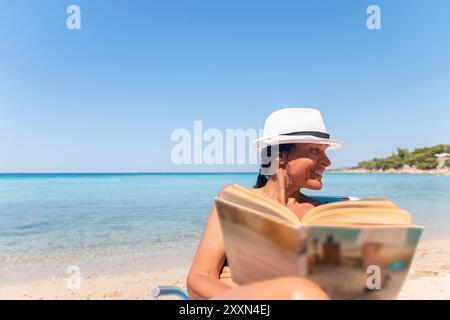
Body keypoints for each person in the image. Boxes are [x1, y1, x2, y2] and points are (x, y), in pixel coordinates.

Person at [187, 108, 343, 300]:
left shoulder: (326, 213)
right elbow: (199, 278)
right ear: (281, 156)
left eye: (325, 151)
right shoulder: (236, 201)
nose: (327, 162)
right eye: (314, 150)